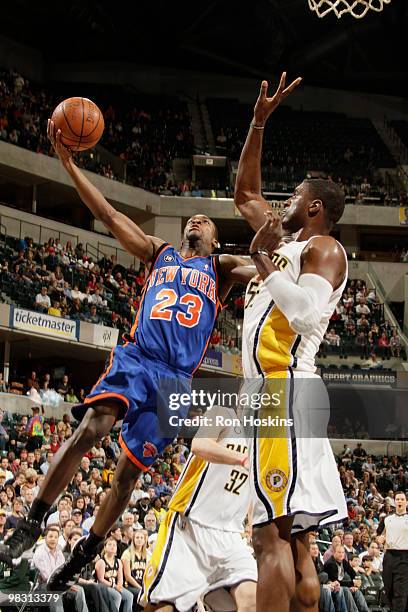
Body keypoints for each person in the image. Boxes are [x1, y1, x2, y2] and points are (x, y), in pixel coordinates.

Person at [0, 118, 253, 581]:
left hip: (175, 383)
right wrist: (69, 165)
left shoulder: (221, 268)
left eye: (206, 221)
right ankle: (33, 520)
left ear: (215, 239)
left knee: (126, 477)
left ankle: (85, 552)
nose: (196, 221)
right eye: (192, 218)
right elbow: (113, 217)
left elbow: (263, 269)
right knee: (91, 430)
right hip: (138, 359)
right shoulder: (160, 253)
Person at [234, 73, 348, 612]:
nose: (286, 198)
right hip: (271, 395)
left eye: (297, 194)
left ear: (317, 208)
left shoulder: (322, 247)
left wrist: (260, 260)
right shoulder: (287, 241)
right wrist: (260, 120)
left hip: (285, 389)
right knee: (298, 543)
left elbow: (303, 313)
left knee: (269, 535)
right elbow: (246, 193)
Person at [140, 406, 257, 612]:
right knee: (163, 606)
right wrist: (242, 459)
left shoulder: (264, 440)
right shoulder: (223, 414)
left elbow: (253, 489)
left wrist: (252, 523)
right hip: (189, 525)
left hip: (229, 535)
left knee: (252, 599)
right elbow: (199, 445)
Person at [378, 491, 408, 611]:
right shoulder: (387, 518)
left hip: (404, 556)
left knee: (399, 591)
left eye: (402, 499)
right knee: (388, 588)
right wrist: (380, 538)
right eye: (397, 499)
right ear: (394, 502)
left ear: (406, 502)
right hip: (389, 556)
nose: (399, 501)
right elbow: (378, 534)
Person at [94, 536, 133, 612]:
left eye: (114, 545)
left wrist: (119, 585)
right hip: (103, 587)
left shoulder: (118, 561)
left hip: (115, 586)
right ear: (105, 548)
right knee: (117, 596)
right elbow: (101, 580)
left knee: (129, 596)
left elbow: (120, 577)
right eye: (109, 544)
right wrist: (114, 586)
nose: (112, 547)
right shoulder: (101, 562)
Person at [121, 529, 148, 601]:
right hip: (130, 586)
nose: (139, 540)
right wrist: (140, 588)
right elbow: (128, 577)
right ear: (133, 540)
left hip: (143, 585)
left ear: (144, 540)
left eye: (141, 538)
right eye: (137, 537)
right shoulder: (127, 553)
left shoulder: (147, 555)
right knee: (143, 595)